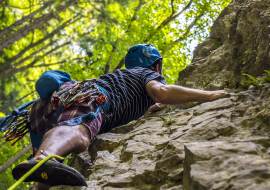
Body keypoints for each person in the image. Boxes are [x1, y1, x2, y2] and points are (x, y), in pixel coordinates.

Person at [12, 44, 227, 189]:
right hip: (90, 97)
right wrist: (210, 95)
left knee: (48, 168)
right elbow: (162, 92)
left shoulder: (125, 79)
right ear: (156, 65)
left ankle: (40, 170)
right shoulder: (147, 75)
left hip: (44, 110)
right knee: (80, 132)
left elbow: (149, 105)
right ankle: (42, 158)